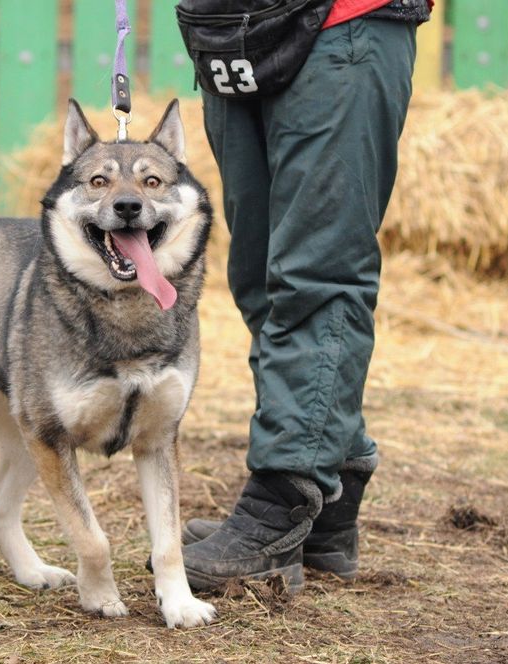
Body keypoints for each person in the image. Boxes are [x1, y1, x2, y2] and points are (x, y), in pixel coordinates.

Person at [179, 0, 433, 593]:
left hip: (344, 22)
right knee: (260, 276)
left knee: (316, 273)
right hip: (230, 32)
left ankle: (281, 500)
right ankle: (334, 486)